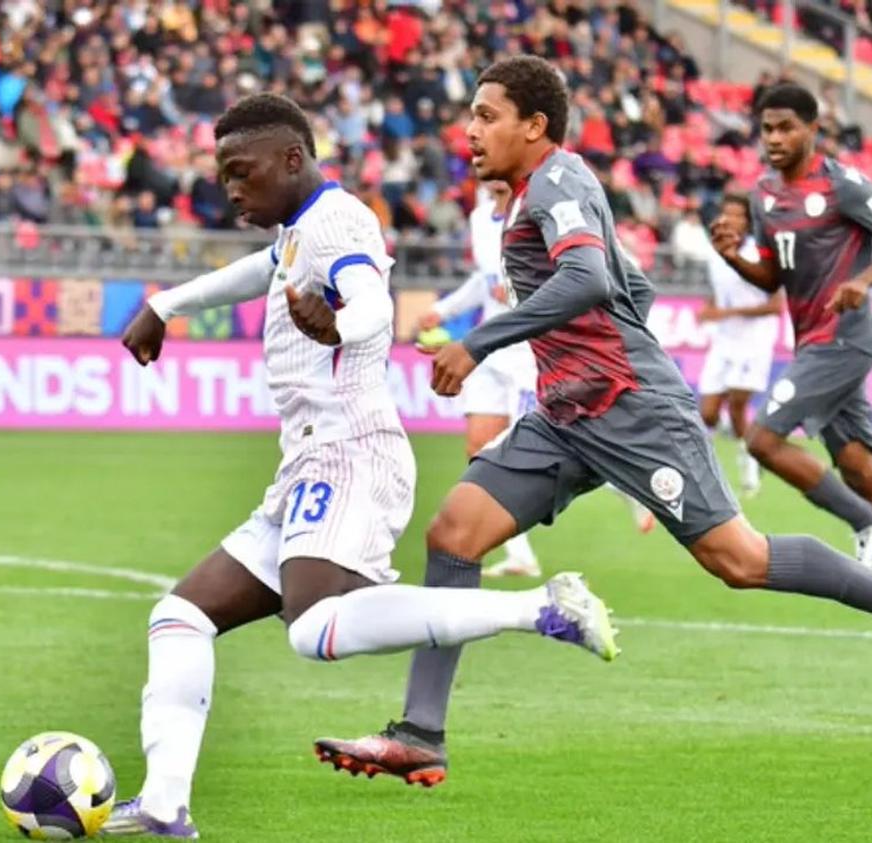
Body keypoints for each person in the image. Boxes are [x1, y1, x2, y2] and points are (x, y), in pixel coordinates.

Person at [313, 58, 872, 789]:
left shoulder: (557, 180)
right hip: (567, 412)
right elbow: (625, 280)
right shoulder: (532, 196)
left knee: (740, 560)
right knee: (454, 534)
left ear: (534, 126)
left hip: (632, 407)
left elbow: (592, 279)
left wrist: (480, 342)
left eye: (486, 115)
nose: (469, 129)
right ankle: (421, 732)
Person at [103, 93, 619, 838]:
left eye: (241, 172)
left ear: (291, 159)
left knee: (311, 626)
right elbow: (265, 269)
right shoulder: (299, 231)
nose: (231, 189)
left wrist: (339, 320)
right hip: (308, 460)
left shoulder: (340, 220)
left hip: (350, 451)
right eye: (223, 176)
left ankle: (540, 607)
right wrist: (169, 302)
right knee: (180, 616)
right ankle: (162, 807)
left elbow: (374, 300)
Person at [712, 83, 872, 581]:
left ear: (812, 130)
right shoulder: (763, 197)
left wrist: (864, 282)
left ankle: (869, 524)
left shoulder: (842, 185)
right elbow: (772, 278)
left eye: (786, 128)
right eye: (767, 129)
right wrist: (733, 256)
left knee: (761, 440)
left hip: (844, 339)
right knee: (859, 471)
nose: (775, 138)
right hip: (812, 342)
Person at [417, 179, 543, 577]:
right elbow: (484, 280)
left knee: (530, 447)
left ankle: (623, 484)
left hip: (530, 348)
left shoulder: (538, 210)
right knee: (479, 447)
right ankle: (520, 554)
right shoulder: (478, 218)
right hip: (490, 346)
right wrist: (444, 309)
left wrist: (524, 293)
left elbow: (570, 276)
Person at [695, 192, 784, 498]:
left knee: (736, 406)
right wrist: (709, 309)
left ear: (749, 221)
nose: (730, 220)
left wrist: (725, 313)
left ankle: (749, 459)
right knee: (707, 413)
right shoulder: (716, 251)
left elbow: (775, 306)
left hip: (754, 339)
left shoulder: (760, 253)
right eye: (726, 213)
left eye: (738, 215)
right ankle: (745, 444)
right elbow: (720, 293)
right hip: (724, 339)